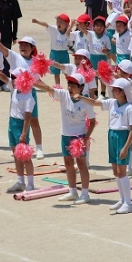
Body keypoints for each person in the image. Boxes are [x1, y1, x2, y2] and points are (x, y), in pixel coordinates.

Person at [75, 78, 132, 214]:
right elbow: (95, 102)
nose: (112, 90)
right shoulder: (112, 103)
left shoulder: (130, 108)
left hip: (122, 136)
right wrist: (81, 97)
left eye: (115, 89)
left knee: (122, 172)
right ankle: (122, 199)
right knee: (115, 171)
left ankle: (128, 203)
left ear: (122, 92)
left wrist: (126, 147)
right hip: (112, 135)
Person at [35, 73, 96, 204]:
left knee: (81, 165)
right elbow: (49, 89)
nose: (70, 87)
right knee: (68, 164)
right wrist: (32, 83)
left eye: (73, 85)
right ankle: (72, 192)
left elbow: (92, 120)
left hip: (79, 137)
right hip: (65, 135)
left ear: (81, 88)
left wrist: (86, 137)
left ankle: (85, 194)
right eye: (69, 84)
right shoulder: (63, 94)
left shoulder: (86, 102)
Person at [0, 34, 45, 159]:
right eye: (21, 44)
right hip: (16, 92)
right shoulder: (14, 57)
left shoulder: (35, 63)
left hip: (30, 94)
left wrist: (50, 90)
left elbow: (38, 81)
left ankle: (39, 148)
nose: (23, 46)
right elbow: (2, 48)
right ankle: (16, 145)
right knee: (15, 119)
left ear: (32, 48)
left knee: (33, 120)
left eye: (26, 45)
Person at [0, 66, 35, 193]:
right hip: (12, 124)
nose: (11, 79)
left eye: (15, 78)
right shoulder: (15, 89)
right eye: (12, 77)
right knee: (16, 156)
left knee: (25, 157)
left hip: (20, 125)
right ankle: (20, 181)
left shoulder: (28, 96)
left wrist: (24, 133)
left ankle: (30, 184)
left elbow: (28, 118)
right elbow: (2, 77)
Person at [32, 14, 71, 87]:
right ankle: (58, 87)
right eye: (57, 21)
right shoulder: (54, 29)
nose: (58, 23)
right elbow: (46, 25)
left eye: (61, 22)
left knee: (67, 72)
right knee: (56, 73)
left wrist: (71, 26)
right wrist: (37, 21)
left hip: (64, 54)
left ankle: (71, 86)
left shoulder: (69, 32)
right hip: (54, 53)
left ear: (66, 24)